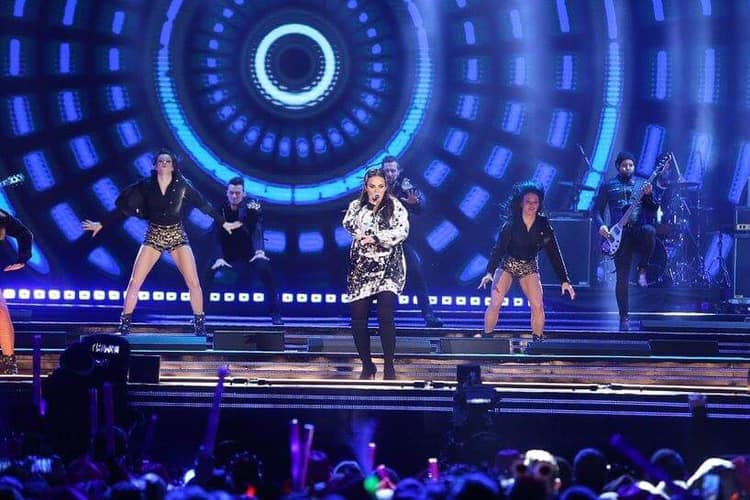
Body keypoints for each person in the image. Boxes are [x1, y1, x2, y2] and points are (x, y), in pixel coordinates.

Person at [82, 149, 239, 336]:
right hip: (154, 235)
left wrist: (224, 223)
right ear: (155, 165)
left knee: (193, 282)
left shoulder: (182, 185)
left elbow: (203, 205)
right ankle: (124, 324)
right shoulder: (146, 186)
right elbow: (124, 208)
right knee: (135, 282)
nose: (164, 164)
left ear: (173, 166)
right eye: (161, 161)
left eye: (167, 161)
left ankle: (199, 324)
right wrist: (102, 223)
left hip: (176, 235)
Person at [478, 181, 575, 340]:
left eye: (535, 202)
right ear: (521, 203)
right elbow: (498, 249)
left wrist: (564, 280)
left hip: (529, 266)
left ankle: (537, 341)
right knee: (495, 302)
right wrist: (489, 272)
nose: (532, 205)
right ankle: (487, 338)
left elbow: (554, 253)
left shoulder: (543, 225)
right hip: (508, 264)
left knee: (537, 305)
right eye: (528, 201)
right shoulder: (511, 224)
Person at [343, 168, 409, 380]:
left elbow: (402, 231)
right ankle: (367, 365)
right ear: (366, 187)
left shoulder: (395, 207)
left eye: (380, 186)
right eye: (372, 186)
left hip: (388, 267)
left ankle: (389, 366)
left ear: (386, 187)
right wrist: (360, 233)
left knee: (385, 315)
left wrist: (377, 237)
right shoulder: (356, 207)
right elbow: (348, 223)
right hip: (361, 268)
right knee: (358, 319)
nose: (376, 191)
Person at [594, 151, 659, 331]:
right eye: (624, 165)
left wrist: (649, 195)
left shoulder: (641, 184)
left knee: (650, 231)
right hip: (618, 236)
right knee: (621, 279)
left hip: (637, 231)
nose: (628, 168)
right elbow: (596, 210)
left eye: (631, 165)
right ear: (618, 166)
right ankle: (624, 318)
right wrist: (601, 226)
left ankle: (643, 268)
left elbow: (653, 209)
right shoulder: (608, 186)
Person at [203, 177, 283, 325]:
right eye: (231, 193)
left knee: (265, 270)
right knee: (208, 270)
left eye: (238, 193)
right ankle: (200, 314)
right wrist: (219, 257)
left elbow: (257, 229)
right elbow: (216, 234)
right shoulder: (220, 209)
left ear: (244, 194)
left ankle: (275, 313)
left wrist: (259, 251)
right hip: (227, 251)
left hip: (249, 251)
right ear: (227, 193)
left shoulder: (252, 207)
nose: (234, 196)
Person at [382, 156, 443, 327]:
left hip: (401, 242)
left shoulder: (405, 188)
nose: (389, 174)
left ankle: (428, 315)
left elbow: (420, 208)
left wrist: (414, 204)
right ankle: (360, 318)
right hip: (380, 242)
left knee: (416, 274)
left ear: (398, 171)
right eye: (386, 170)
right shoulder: (374, 188)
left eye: (392, 170)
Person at [0, 209, 32, 374]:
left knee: (0, 311)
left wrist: (23, 258)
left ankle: (9, 362)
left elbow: (24, 234)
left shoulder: (2, 217)